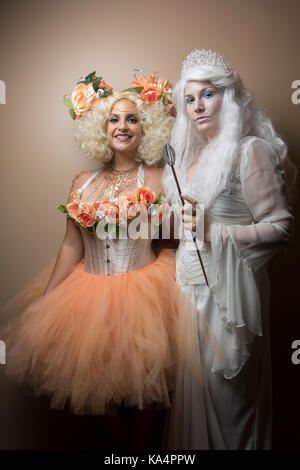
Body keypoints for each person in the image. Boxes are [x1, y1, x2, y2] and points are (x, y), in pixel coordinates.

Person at [0, 71, 203, 450]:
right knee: (103, 399)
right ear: (101, 127)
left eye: (132, 118)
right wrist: (46, 303)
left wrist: (193, 211)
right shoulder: (82, 182)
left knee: (147, 401)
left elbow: (183, 232)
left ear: (147, 129)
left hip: (146, 297)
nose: (122, 126)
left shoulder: (161, 178)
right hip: (87, 301)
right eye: (114, 118)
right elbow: (71, 247)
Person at [163, 49, 296, 450]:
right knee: (194, 398)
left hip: (229, 298)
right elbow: (186, 228)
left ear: (229, 96)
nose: (198, 106)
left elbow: (281, 227)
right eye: (189, 99)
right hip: (189, 292)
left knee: (231, 404)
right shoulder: (191, 158)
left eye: (208, 94)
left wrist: (215, 232)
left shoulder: (249, 149)